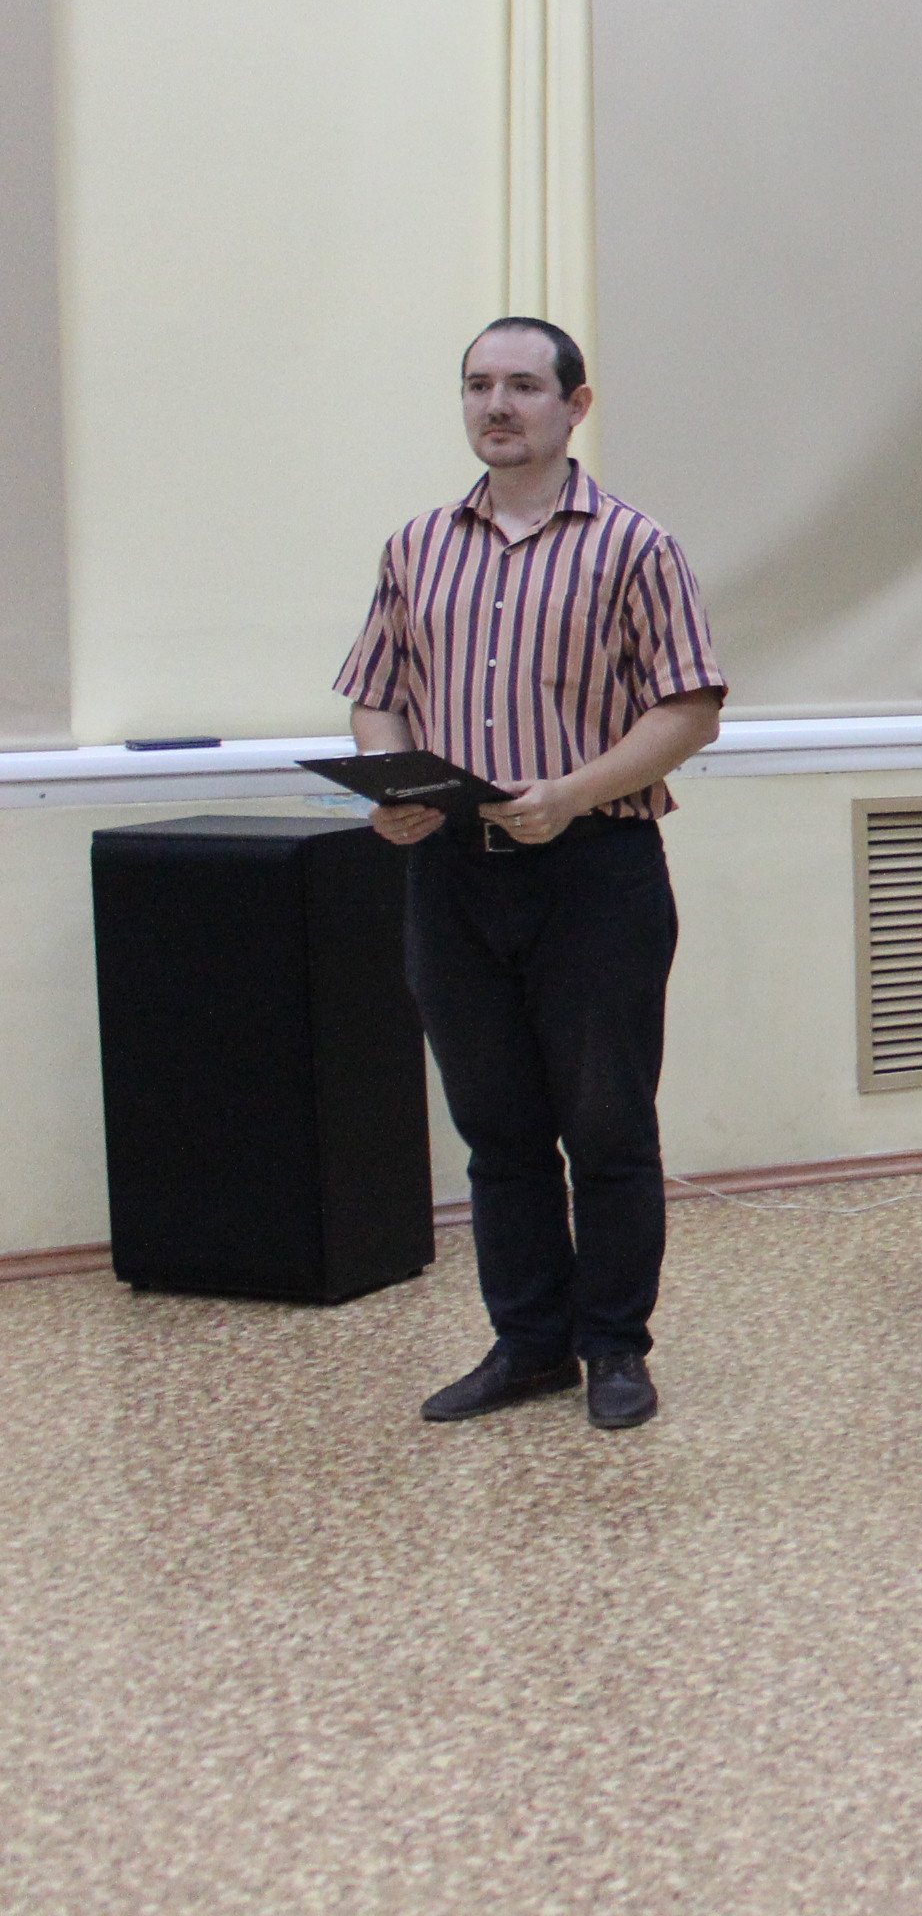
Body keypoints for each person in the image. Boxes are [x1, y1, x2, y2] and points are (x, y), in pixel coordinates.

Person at [339, 318, 726, 1431]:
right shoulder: (417, 546)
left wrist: (572, 792)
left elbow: (689, 709)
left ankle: (614, 1348)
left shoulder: (635, 547)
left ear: (575, 406)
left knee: (606, 1126)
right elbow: (377, 692)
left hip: (595, 872)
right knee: (497, 1129)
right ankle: (528, 1346)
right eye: (478, 386)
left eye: (521, 385)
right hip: (453, 878)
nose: (496, 405)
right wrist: (391, 785)